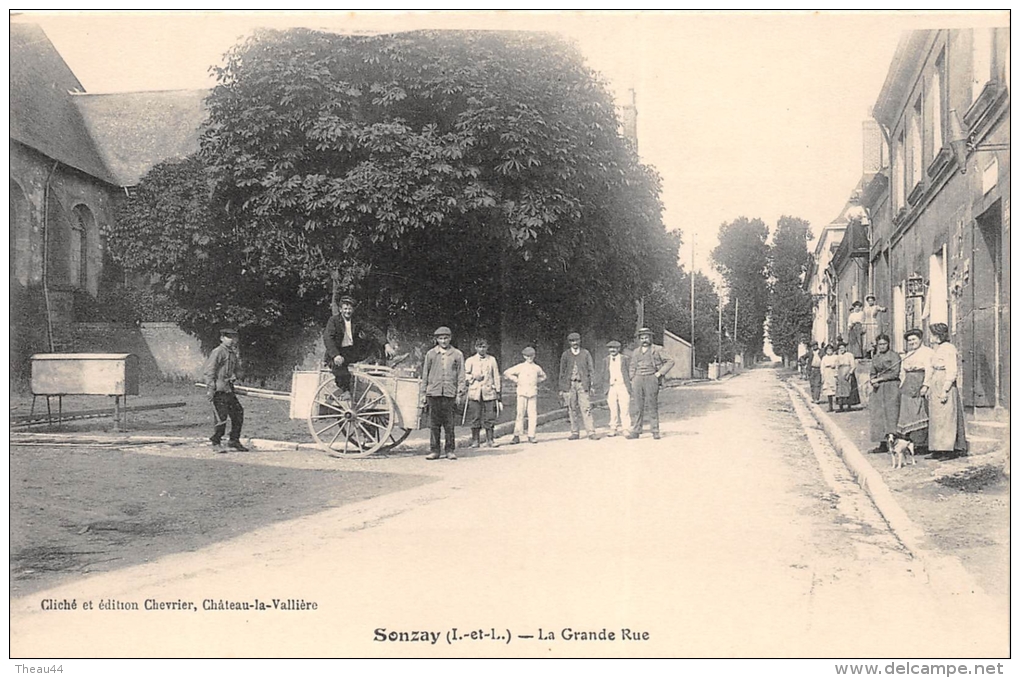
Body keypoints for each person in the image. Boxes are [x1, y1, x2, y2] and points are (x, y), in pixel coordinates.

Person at [419, 326, 466, 460]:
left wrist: (459, 393)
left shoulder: (457, 354)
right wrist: (423, 393)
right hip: (433, 393)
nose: (443, 341)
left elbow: (461, 375)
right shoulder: (431, 354)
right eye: (440, 338)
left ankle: (450, 450)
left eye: (446, 338)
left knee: (449, 423)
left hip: (450, 393)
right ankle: (435, 451)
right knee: (434, 424)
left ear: (450, 338)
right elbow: (425, 374)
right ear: (436, 340)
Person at [927, 323, 968, 459]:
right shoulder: (938, 349)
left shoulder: (949, 348)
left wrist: (945, 389)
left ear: (939, 335)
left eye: (933, 334)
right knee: (936, 417)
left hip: (944, 382)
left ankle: (947, 450)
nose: (931, 337)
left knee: (946, 417)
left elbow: (952, 370)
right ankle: (937, 448)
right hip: (936, 381)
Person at [323, 295, 376, 399]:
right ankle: (346, 390)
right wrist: (336, 355)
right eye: (345, 309)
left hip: (350, 352)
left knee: (372, 338)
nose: (347, 311)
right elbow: (328, 338)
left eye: (350, 309)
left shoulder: (356, 321)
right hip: (336, 354)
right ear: (340, 309)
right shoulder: (333, 321)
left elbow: (373, 330)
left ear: (353, 310)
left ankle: (385, 360)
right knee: (339, 366)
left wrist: (386, 345)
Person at [203, 327, 247, 452]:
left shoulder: (232, 353)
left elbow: (237, 369)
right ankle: (216, 442)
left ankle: (234, 440)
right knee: (221, 417)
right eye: (229, 337)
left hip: (229, 390)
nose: (232, 340)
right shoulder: (218, 352)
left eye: (234, 337)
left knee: (238, 413)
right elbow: (209, 371)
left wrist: (239, 375)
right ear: (222, 338)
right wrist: (210, 389)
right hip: (219, 390)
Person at [626, 327, 674, 440]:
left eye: (646, 337)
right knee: (638, 406)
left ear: (650, 338)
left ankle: (655, 431)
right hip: (637, 379)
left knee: (652, 405)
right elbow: (632, 365)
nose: (644, 340)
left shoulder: (657, 349)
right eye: (642, 338)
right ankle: (636, 431)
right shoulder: (636, 351)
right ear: (639, 339)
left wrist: (659, 373)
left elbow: (670, 361)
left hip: (651, 378)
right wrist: (632, 378)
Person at [897, 328, 933, 450]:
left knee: (920, 411)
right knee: (908, 414)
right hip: (908, 386)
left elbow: (929, 370)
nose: (912, 342)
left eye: (914, 339)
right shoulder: (908, 354)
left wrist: (926, 385)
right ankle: (911, 442)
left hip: (919, 383)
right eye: (909, 340)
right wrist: (902, 384)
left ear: (920, 339)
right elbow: (902, 371)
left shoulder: (928, 352)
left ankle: (922, 443)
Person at [558, 331, 598, 440]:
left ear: (580, 341)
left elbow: (591, 370)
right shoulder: (566, 355)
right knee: (572, 408)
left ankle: (591, 432)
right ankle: (575, 432)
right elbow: (562, 372)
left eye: (576, 340)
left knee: (586, 407)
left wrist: (592, 385)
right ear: (569, 343)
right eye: (572, 341)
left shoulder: (585, 353)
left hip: (582, 384)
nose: (574, 343)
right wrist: (562, 388)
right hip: (570, 384)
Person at [503, 346, 547, 444]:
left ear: (534, 356)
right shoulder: (520, 367)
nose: (530, 358)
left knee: (532, 414)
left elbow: (543, 376)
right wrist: (517, 380)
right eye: (527, 356)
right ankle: (516, 435)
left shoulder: (536, 368)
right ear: (524, 356)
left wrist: (536, 381)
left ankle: (531, 435)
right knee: (520, 414)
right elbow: (507, 372)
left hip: (532, 392)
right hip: (522, 392)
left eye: (531, 355)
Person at [464, 338, 501, 449]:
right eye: (480, 347)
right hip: (475, 392)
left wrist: (498, 391)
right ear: (476, 348)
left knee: (489, 417)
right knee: (475, 417)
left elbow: (496, 376)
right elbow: (464, 374)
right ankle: (475, 441)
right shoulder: (470, 360)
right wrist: (473, 377)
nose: (482, 349)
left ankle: (490, 440)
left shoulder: (492, 360)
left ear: (487, 347)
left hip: (489, 392)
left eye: (484, 347)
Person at [868, 334, 901, 452]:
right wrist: (873, 380)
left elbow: (895, 373)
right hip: (878, 389)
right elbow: (872, 372)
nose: (882, 346)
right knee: (879, 415)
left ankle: (894, 442)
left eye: (884, 344)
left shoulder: (894, 356)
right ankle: (882, 443)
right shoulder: (875, 357)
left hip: (892, 387)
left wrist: (880, 379)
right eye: (880, 344)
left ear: (888, 344)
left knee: (891, 414)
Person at [601, 340, 633, 437]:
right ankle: (613, 428)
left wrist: (630, 383)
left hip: (622, 385)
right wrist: (605, 385)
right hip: (611, 387)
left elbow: (630, 371)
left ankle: (626, 428)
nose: (613, 350)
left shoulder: (625, 359)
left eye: (615, 348)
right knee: (613, 408)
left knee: (625, 408)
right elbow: (603, 373)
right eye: (611, 348)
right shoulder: (605, 360)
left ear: (619, 349)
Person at [834, 342, 860, 412]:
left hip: (847, 372)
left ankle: (849, 406)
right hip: (840, 373)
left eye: (843, 348)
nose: (841, 349)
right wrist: (836, 374)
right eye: (840, 348)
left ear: (845, 348)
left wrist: (849, 373)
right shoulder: (838, 356)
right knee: (840, 390)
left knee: (848, 389)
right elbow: (836, 366)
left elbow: (853, 365)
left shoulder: (850, 355)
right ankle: (841, 406)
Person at [820, 344, 839, 412]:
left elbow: (838, 365)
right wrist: (822, 376)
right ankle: (830, 406)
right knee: (828, 391)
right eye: (828, 350)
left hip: (833, 373)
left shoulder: (835, 357)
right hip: (827, 373)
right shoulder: (824, 358)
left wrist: (836, 373)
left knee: (835, 389)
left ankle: (838, 405)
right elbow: (822, 367)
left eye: (830, 349)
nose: (829, 351)